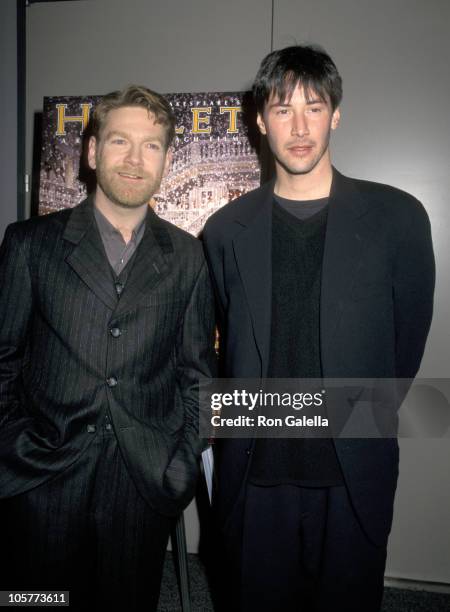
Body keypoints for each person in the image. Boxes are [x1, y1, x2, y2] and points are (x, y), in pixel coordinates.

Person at [203, 45, 435, 612]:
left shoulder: (398, 218)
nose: (300, 126)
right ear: (259, 120)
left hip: (353, 470)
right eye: (283, 109)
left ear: (337, 113)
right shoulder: (225, 230)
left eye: (314, 106)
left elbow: (405, 350)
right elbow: (216, 347)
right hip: (254, 475)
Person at [0, 85, 216, 610]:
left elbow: (198, 377)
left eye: (152, 146)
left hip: (141, 488)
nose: (135, 160)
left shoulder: (189, 257)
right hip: (41, 481)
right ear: (93, 151)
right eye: (120, 141)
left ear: (166, 160)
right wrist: (15, 446)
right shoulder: (30, 244)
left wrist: (180, 462)